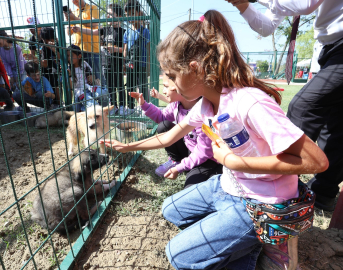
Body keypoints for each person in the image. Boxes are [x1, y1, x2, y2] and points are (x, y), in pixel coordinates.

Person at [101, 10, 328, 269]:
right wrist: (128, 146)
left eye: (172, 76)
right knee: (170, 209)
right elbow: (168, 137)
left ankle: (267, 240)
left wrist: (235, 162)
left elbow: (316, 161)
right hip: (229, 185)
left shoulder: (249, 102)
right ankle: (245, 242)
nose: (170, 84)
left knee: (178, 255)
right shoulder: (207, 105)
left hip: (263, 202)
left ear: (195, 69)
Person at [229, 0, 343, 211]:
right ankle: (323, 193)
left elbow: (306, 4)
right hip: (330, 50)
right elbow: (266, 27)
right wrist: (242, 5)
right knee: (334, 121)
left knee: (304, 106)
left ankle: (281, 186)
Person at [129, 75, 223, 189]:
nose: (163, 91)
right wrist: (144, 104)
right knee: (164, 125)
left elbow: (203, 152)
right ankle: (176, 161)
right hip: (189, 149)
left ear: (180, 87)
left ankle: (200, 171)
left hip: (206, 159)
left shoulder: (202, 112)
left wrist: (181, 168)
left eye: (166, 86)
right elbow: (162, 117)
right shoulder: (176, 105)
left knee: (190, 189)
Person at [71, 3, 126, 115]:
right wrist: (79, 29)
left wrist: (115, 50)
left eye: (111, 14)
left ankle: (122, 106)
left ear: (119, 16)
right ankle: (113, 106)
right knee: (110, 86)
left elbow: (125, 50)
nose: (108, 17)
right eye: (108, 15)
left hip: (118, 64)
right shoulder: (105, 29)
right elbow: (92, 32)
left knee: (119, 85)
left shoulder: (123, 32)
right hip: (107, 64)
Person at [64, 0, 104, 86]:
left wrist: (74, 18)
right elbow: (68, 33)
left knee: (97, 81)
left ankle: (103, 99)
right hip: (78, 54)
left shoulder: (92, 8)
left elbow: (94, 24)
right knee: (83, 83)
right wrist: (68, 20)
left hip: (92, 51)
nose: (74, 1)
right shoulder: (74, 12)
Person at [123, 0, 150, 114]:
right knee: (130, 87)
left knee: (142, 87)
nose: (130, 17)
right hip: (130, 65)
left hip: (142, 64)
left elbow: (148, 50)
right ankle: (130, 108)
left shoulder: (145, 32)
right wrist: (124, 63)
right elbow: (125, 49)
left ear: (139, 13)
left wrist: (148, 66)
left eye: (132, 13)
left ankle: (145, 108)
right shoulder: (127, 32)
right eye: (127, 15)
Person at [67, 45, 98, 112]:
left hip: (88, 88)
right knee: (93, 104)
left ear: (79, 56)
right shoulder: (69, 69)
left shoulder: (84, 64)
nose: (69, 58)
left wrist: (91, 77)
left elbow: (93, 76)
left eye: (71, 56)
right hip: (78, 93)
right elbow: (71, 87)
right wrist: (69, 75)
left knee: (103, 92)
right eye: (68, 56)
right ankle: (83, 110)